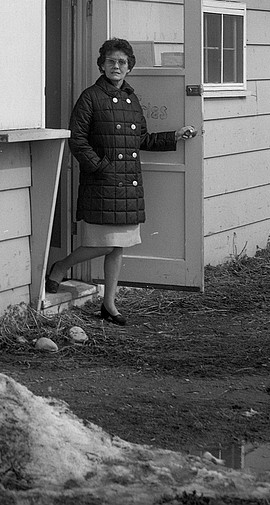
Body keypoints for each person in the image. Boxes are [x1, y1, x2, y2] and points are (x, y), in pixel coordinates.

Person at [45, 37, 196, 325]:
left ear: (129, 68)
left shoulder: (132, 99)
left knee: (118, 246)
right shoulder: (90, 97)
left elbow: (141, 139)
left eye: (122, 62)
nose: (117, 66)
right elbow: (76, 139)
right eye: (111, 61)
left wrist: (175, 135)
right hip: (102, 182)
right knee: (103, 243)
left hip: (128, 184)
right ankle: (60, 266)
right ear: (102, 65)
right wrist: (100, 168)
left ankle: (109, 304)